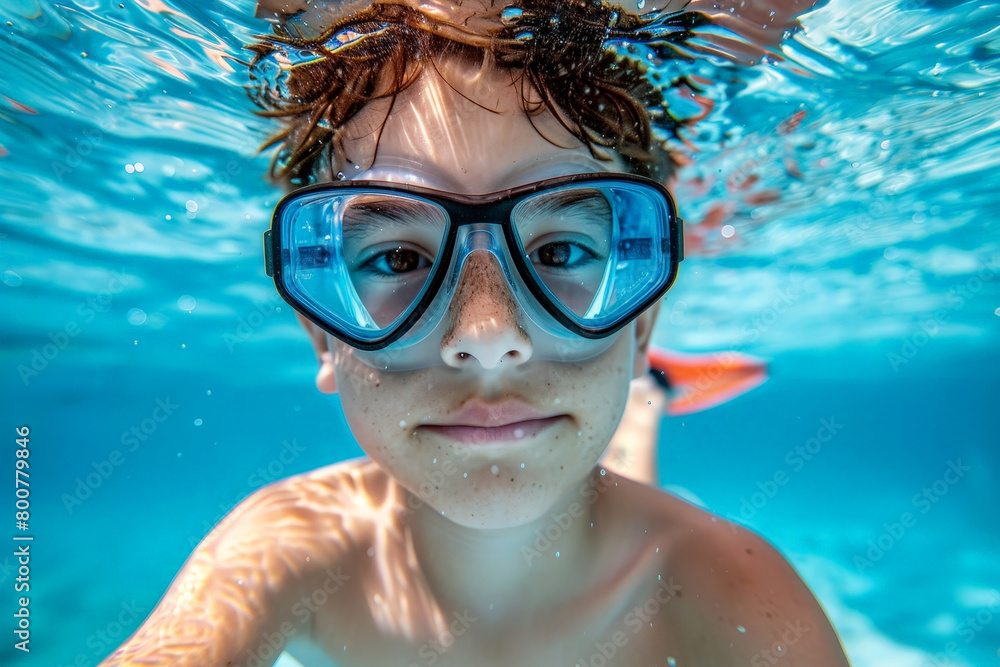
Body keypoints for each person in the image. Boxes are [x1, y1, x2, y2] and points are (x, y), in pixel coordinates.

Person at [101, 1, 851, 665]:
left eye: (560, 252)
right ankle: (641, 391)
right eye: (397, 258)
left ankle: (646, 390)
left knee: (631, 459)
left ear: (643, 316)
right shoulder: (287, 545)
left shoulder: (725, 579)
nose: (489, 336)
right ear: (321, 334)